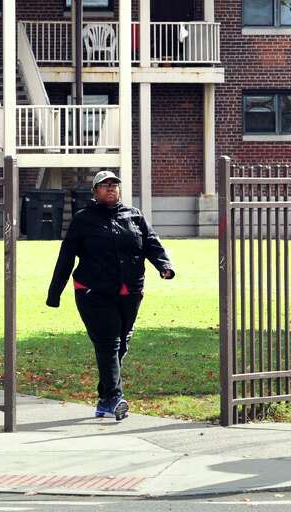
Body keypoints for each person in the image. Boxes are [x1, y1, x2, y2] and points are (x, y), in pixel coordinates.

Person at [45, 170, 175, 421]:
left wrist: (164, 265)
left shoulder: (134, 216)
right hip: (94, 292)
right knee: (108, 343)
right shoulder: (83, 220)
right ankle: (115, 397)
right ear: (95, 192)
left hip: (130, 292)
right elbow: (66, 257)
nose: (110, 189)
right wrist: (55, 294)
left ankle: (104, 399)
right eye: (104, 186)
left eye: (114, 185)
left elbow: (151, 242)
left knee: (122, 343)